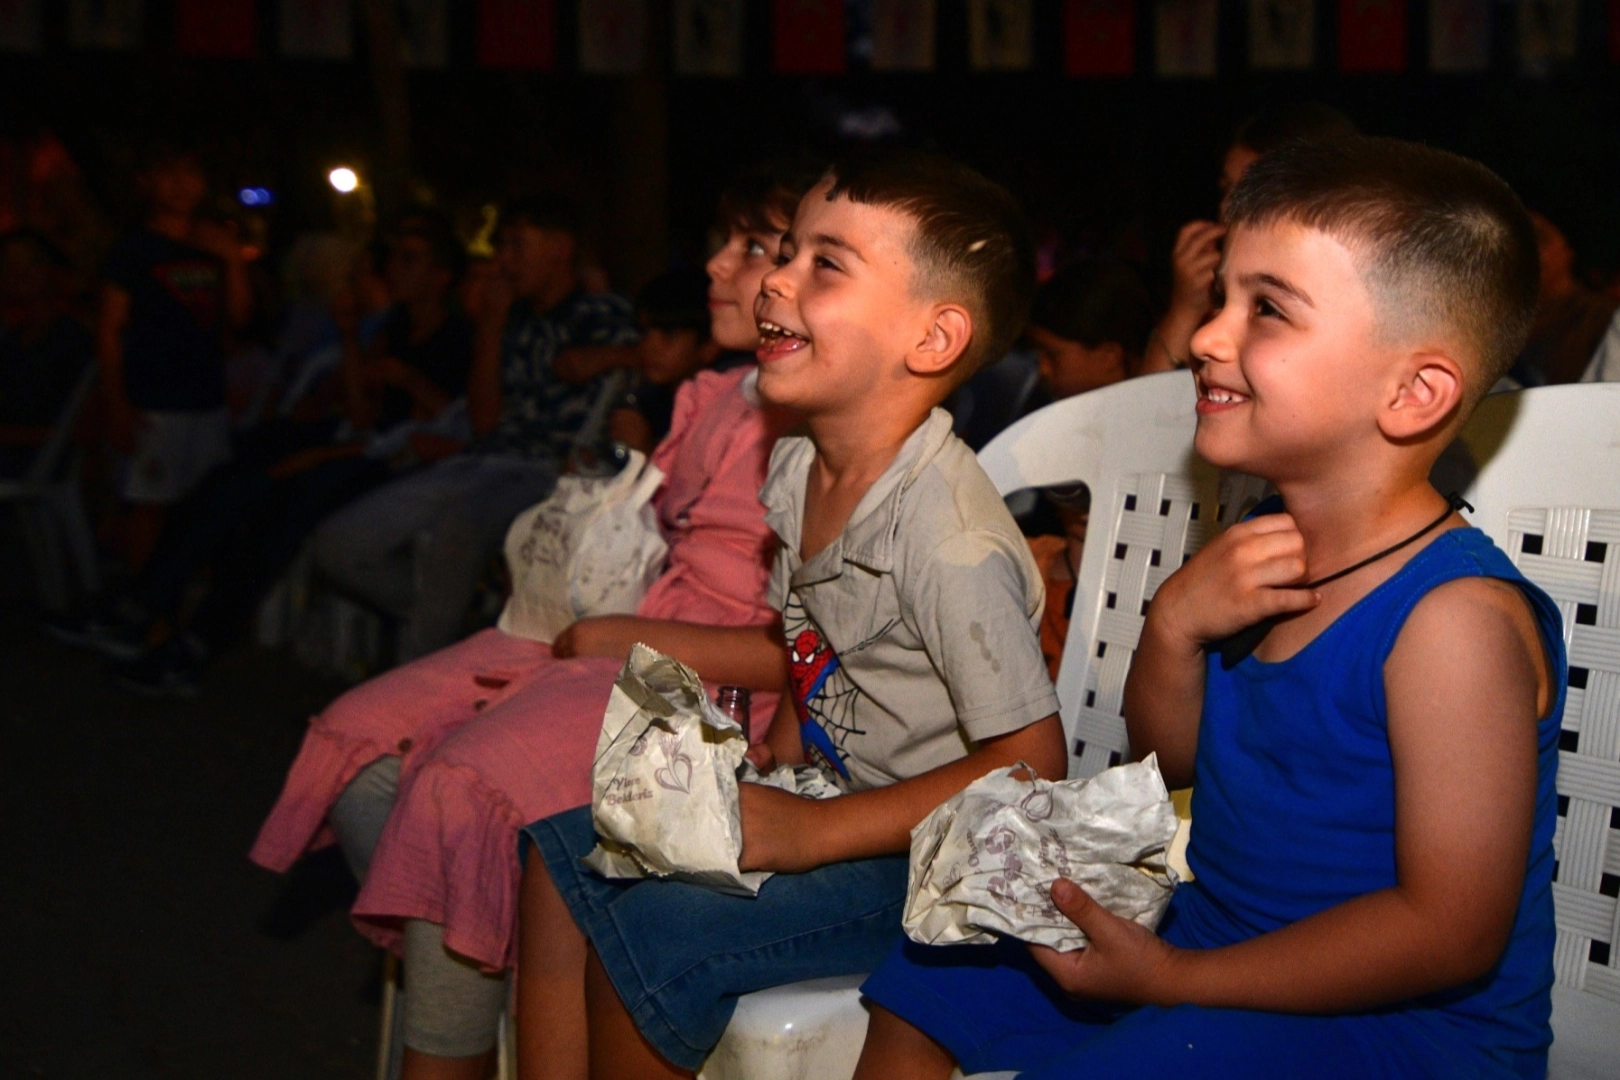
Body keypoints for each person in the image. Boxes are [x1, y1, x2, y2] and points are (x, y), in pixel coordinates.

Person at [855, 136, 1563, 1080]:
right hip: (1215, 945)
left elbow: (1450, 932)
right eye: (1222, 296)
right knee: (940, 962)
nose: (1205, 337)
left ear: (1414, 392)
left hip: (1407, 1029)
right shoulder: (1258, 547)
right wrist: (1176, 624)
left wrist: (1177, 979)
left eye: (1267, 308)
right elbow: (1177, 757)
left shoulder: (1452, 622)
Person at [251, 161, 817, 1080]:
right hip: (629, 625)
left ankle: (455, 1047)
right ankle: (503, 960)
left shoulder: (824, 425)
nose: (715, 265)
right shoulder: (714, 393)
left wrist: (613, 638)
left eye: (753, 247)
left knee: (455, 792)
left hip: (691, 681)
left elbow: (799, 652)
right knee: (360, 753)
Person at [514, 151, 1067, 1080]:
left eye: (826, 264)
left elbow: (1030, 762)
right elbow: (810, 630)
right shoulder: (801, 463)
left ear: (931, 340)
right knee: (563, 857)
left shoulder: (947, 539)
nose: (776, 279)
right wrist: (780, 735)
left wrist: (811, 833)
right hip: (839, 799)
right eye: (787, 252)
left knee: (650, 931)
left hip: (929, 854)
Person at [64, 222, 473, 695]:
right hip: (357, 439)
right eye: (394, 257)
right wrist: (348, 340)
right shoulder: (394, 326)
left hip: (401, 459)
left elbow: (449, 427)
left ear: (441, 276)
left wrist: (398, 390)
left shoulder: (457, 337)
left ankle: (197, 642)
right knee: (232, 471)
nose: (393, 269)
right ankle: (142, 607)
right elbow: (362, 412)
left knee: (283, 502)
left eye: (410, 259)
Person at [310, 197, 639, 661]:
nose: (503, 260)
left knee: (456, 535)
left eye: (516, 246)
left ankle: (416, 696)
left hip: (551, 469)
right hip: (485, 460)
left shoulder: (600, 312)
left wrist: (606, 357)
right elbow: (484, 422)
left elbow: (668, 355)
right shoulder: (513, 317)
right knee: (338, 544)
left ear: (559, 248)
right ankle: (458, 620)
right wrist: (492, 323)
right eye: (502, 247)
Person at [99, 144, 252, 565]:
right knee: (150, 505)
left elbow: (238, 318)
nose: (181, 184)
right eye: (169, 172)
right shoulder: (133, 249)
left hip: (205, 395)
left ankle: (177, 603)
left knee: (201, 503)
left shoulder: (211, 245)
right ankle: (141, 602)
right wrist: (117, 402)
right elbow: (110, 329)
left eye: (190, 171)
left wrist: (233, 260)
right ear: (145, 182)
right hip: (153, 398)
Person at [1141, 104, 1356, 375]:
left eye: (1250, 193)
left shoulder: (1342, 294)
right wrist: (1184, 310)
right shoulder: (1219, 290)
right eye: (1227, 189)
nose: (1227, 209)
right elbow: (1152, 411)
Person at [0, 228, 93, 475]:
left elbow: (87, 428)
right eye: (10, 265)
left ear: (54, 270)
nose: (20, 273)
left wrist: (12, 436)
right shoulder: (11, 341)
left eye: (32, 262)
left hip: (38, 463)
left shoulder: (73, 340)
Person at [609, 268, 719, 453]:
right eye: (644, 333)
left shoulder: (717, 413)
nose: (649, 347)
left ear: (709, 346)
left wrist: (645, 450)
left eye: (669, 335)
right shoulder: (648, 399)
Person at [1508, 210, 1616, 387]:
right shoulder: (1497, 321)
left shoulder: (1602, 319)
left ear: (1567, 250)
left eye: (1540, 239)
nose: (1528, 252)